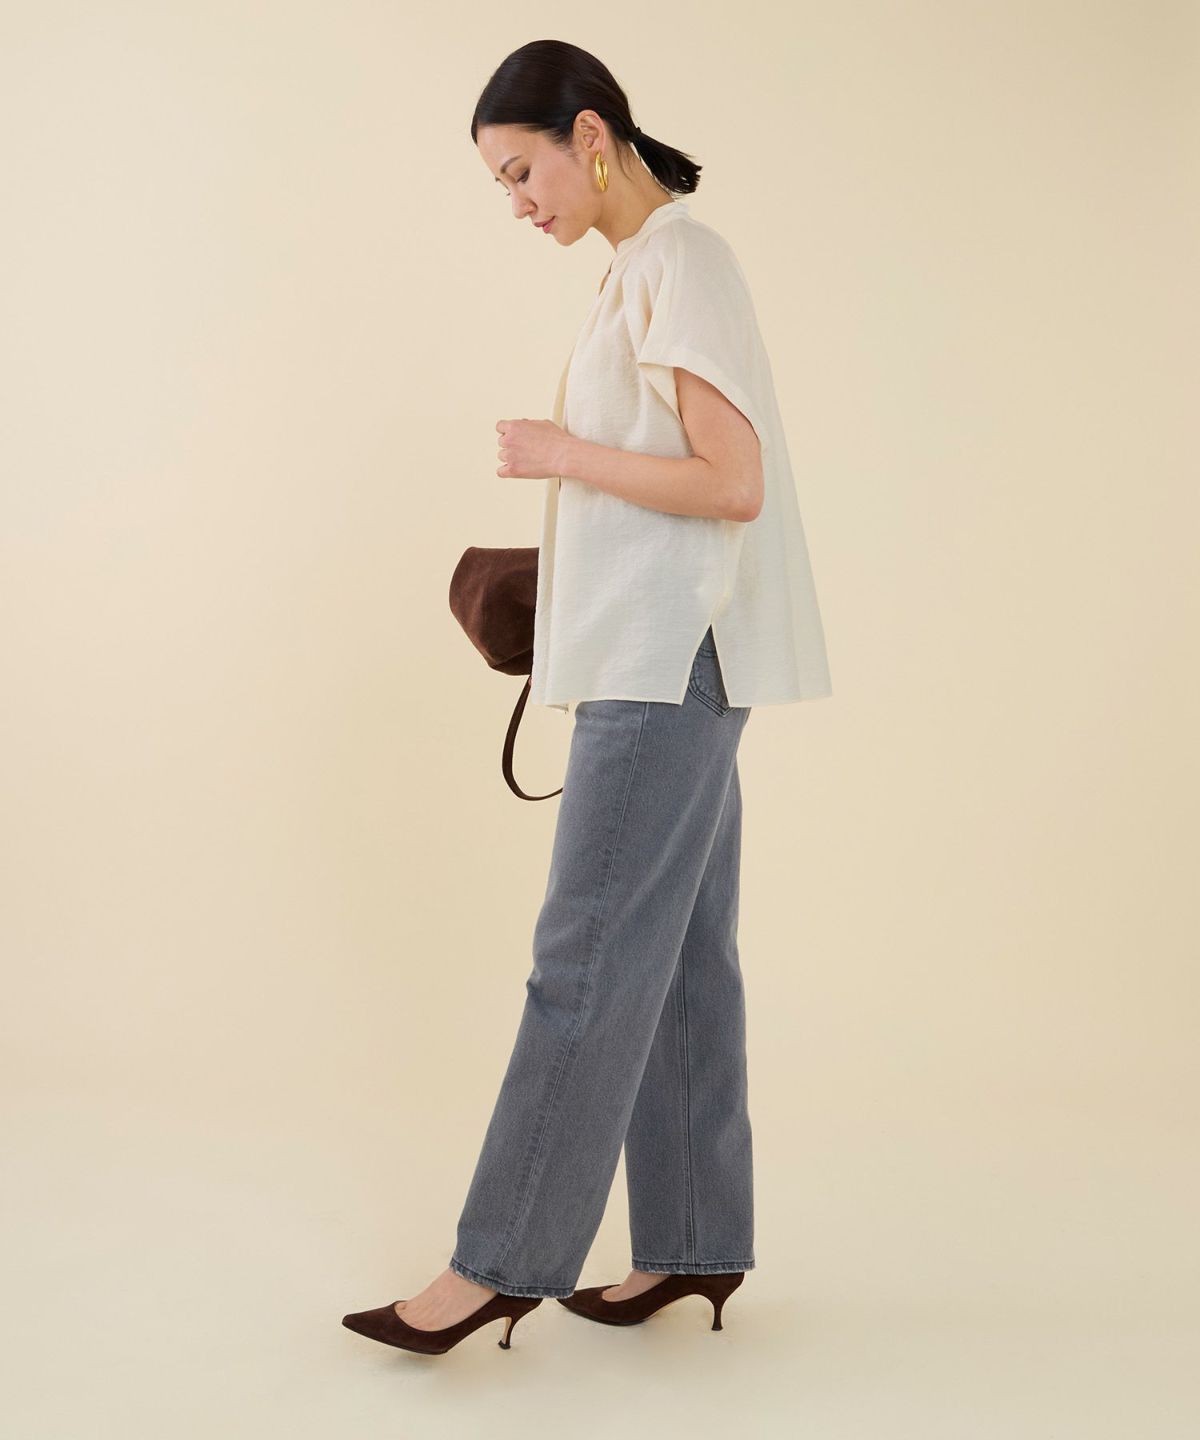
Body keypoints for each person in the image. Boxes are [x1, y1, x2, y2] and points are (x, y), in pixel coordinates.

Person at [342, 39, 832, 1357]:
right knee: (679, 962)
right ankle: (693, 1242)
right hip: (674, 654)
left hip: (664, 668)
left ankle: (496, 1266)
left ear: (592, 136)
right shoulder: (645, 269)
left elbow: (733, 482)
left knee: (586, 961)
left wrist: (564, 454)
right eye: (500, 184)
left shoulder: (680, 261)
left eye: (522, 172)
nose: (516, 203)